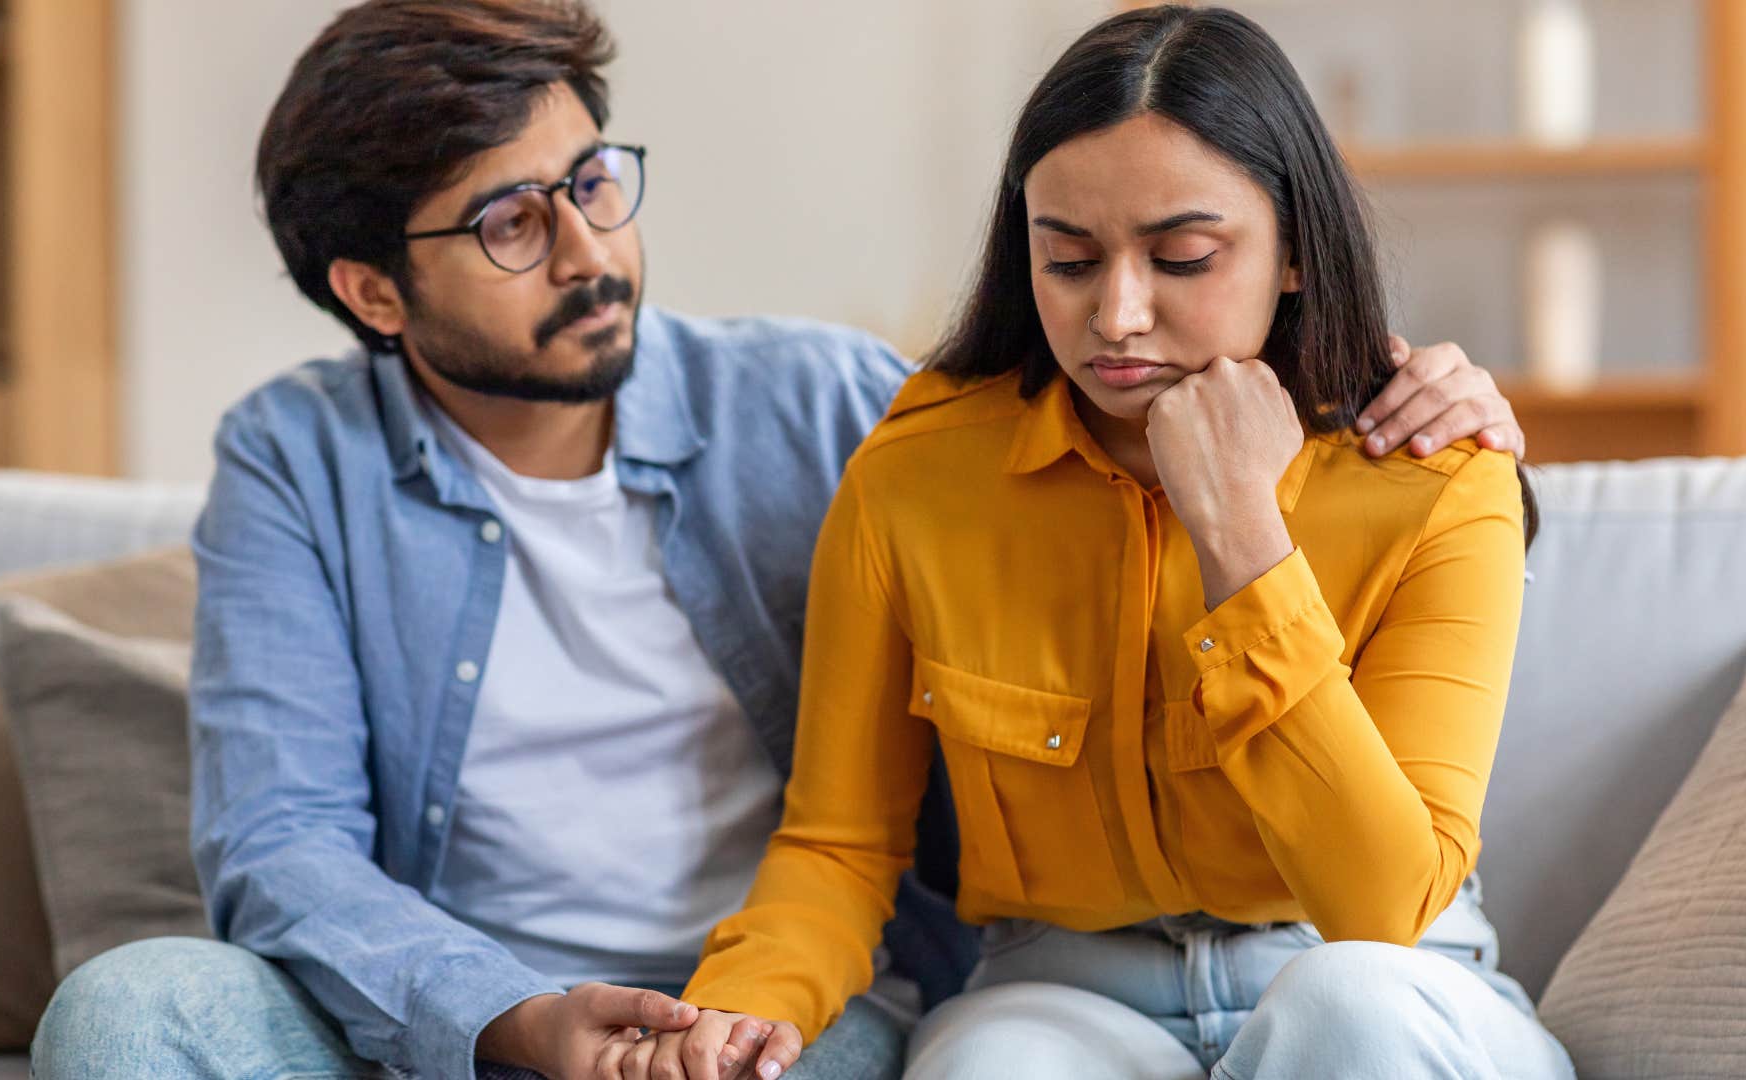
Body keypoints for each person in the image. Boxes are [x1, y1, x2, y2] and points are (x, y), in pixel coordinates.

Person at [26, 2, 1534, 1079]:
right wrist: (504, 1020)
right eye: (509, 226)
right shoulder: (298, 461)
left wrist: (1289, 504)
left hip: (796, 1009)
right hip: (464, 1008)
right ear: (372, 293)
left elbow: (1385, 916)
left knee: (1342, 1012)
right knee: (127, 1009)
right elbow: (280, 845)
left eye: (594, 182)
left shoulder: (827, 405)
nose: (590, 249)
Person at [654, 6, 1575, 1079]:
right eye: (1070, 261)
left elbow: (1383, 907)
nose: (1118, 314)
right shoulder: (917, 477)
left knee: (1351, 1009)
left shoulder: (1438, 479)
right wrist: (736, 1012)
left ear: (1293, 252)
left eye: (1183, 257)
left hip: (1382, 974)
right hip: (1064, 989)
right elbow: (840, 845)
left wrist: (1243, 538)